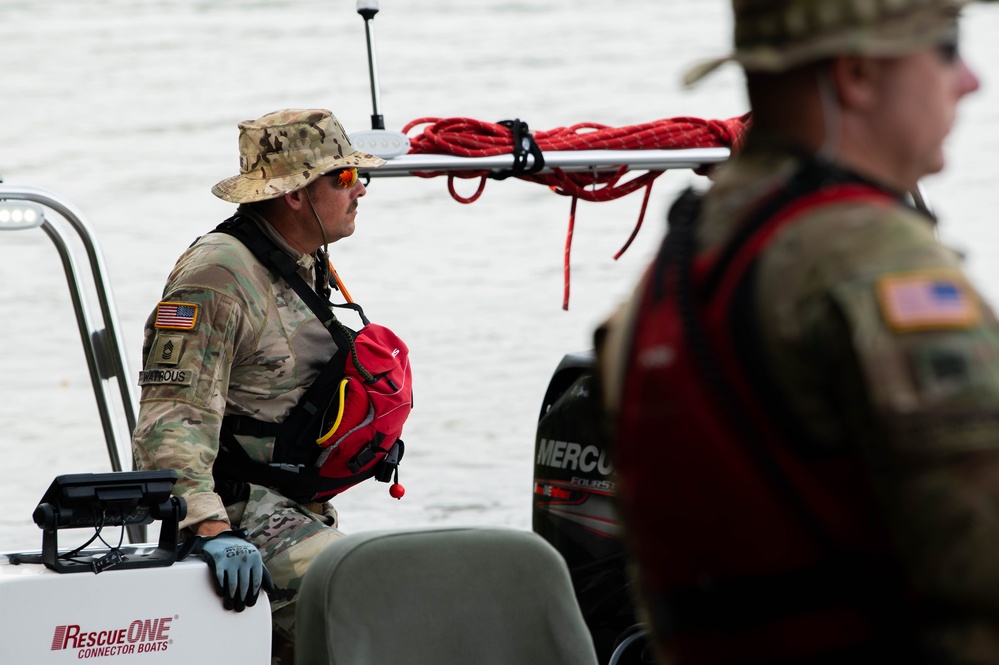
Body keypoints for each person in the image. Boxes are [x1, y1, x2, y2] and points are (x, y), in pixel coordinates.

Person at [596, 0, 999, 663]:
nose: (968, 80)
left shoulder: (668, 276)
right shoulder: (870, 264)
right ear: (857, 75)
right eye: (944, 47)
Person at [131, 108, 385, 663]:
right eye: (342, 178)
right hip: (244, 519)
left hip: (295, 510)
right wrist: (210, 529)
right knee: (380, 609)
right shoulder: (217, 276)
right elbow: (170, 418)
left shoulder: (300, 256)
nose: (360, 189)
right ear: (293, 194)